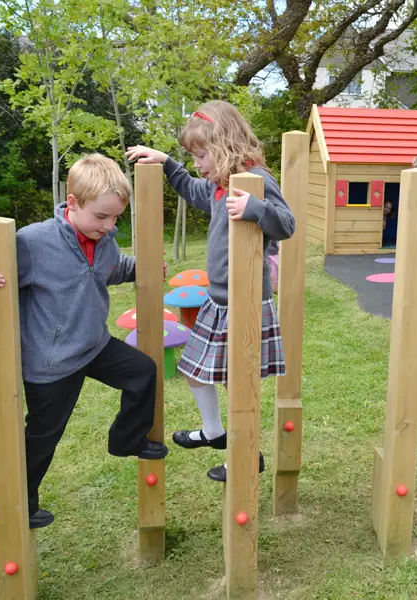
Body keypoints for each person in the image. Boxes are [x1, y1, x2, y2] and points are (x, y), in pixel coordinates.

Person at [0, 154, 168, 529]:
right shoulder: (34, 242)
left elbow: (109, 270)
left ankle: (125, 439)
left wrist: (140, 267)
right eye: (101, 217)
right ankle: (12, 504)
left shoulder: (104, 241)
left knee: (142, 371)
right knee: (42, 437)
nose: (108, 225)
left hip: (93, 345)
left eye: (116, 217)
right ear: (72, 203)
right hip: (50, 361)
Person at [126, 100, 296, 482]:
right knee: (193, 370)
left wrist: (255, 207)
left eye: (202, 155)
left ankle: (245, 455)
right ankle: (214, 432)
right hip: (218, 302)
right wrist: (168, 162)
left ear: (225, 145)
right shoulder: (218, 188)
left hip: (247, 304)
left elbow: (286, 224)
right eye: (195, 156)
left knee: (240, 387)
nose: (199, 164)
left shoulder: (256, 180)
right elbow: (189, 187)